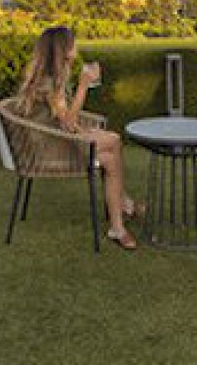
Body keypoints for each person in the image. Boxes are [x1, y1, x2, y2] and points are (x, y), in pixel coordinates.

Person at [15, 26, 142, 250]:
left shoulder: (54, 77)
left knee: (111, 155)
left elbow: (64, 121)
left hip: (55, 140)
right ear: (63, 49)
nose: (77, 47)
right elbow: (66, 124)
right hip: (49, 150)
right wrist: (84, 86)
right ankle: (123, 207)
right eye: (73, 44)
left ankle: (119, 224)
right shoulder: (47, 83)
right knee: (113, 141)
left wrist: (82, 130)